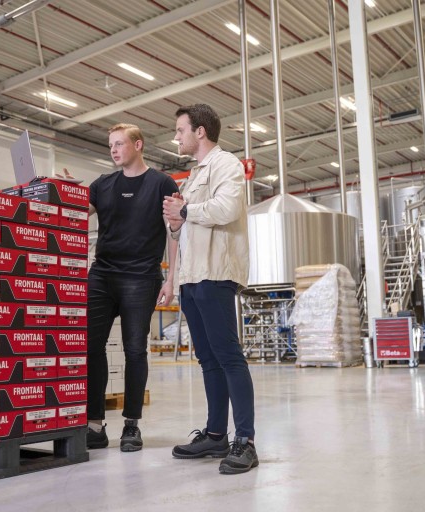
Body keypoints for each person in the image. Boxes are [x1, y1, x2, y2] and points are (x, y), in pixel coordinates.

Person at [162, 104, 258, 474]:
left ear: (200, 131)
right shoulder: (192, 176)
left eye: (181, 130)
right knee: (208, 359)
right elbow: (184, 226)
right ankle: (217, 434)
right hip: (191, 275)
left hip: (216, 272)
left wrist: (185, 211)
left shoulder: (227, 165)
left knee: (229, 356)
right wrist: (174, 219)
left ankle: (245, 440)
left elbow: (227, 208)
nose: (177, 136)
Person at [86, 123, 179, 452]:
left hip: (141, 277)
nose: (113, 150)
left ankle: (131, 425)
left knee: (135, 350)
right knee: (89, 345)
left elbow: (173, 231)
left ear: (138, 145)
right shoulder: (102, 185)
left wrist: (171, 279)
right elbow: (76, 213)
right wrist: (62, 190)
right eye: (110, 144)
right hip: (102, 274)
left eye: (119, 144)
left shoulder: (161, 183)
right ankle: (94, 425)